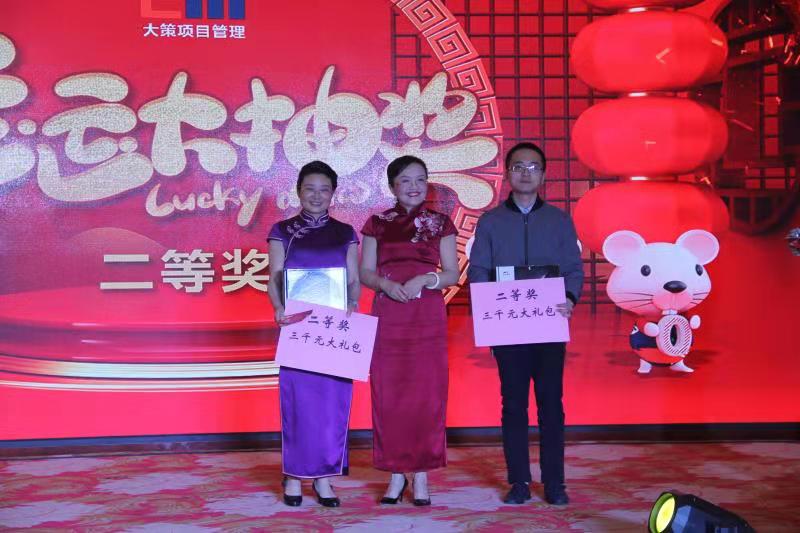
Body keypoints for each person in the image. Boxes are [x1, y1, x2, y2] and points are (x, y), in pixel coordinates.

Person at [467, 142, 584, 506]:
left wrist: (569, 298)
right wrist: (489, 305)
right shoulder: (490, 222)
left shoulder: (560, 220)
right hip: (509, 327)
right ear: (507, 174)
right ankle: (518, 481)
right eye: (518, 166)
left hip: (549, 326)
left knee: (551, 404)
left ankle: (555, 483)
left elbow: (573, 269)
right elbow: (479, 270)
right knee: (514, 404)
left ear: (543, 175)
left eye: (533, 167)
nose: (526, 173)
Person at [359, 155, 459, 506]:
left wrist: (425, 279)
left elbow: (452, 273)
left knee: (426, 394)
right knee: (389, 393)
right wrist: (385, 286)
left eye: (420, 179)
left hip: (426, 313)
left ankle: (422, 473)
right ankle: (396, 472)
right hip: (389, 313)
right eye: (405, 180)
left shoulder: (441, 222)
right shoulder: (377, 223)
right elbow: (365, 272)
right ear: (392, 186)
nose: (413, 187)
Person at [266, 160, 360, 508]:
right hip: (297, 328)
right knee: (299, 403)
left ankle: (324, 478)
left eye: (324, 190)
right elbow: (275, 277)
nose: (317, 196)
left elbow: (353, 280)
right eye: (310, 189)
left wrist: (352, 304)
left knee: (332, 403)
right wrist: (278, 308)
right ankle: (294, 475)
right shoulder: (283, 230)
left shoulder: (346, 232)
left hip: (334, 329)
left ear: (333, 193)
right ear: (298, 191)